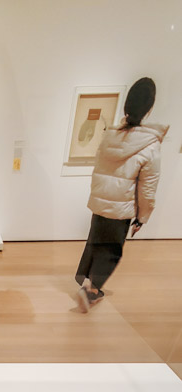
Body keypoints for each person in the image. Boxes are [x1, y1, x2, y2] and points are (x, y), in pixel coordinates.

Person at [75, 78, 168, 312]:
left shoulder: (111, 135)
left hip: (100, 202)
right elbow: (148, 188)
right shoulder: (150, 144)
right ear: (149, 108)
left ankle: (83, 281)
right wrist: (142, 217)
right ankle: (91, 292)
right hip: (122, 207)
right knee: (111, 250)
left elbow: (99, 167)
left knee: (95, 243)